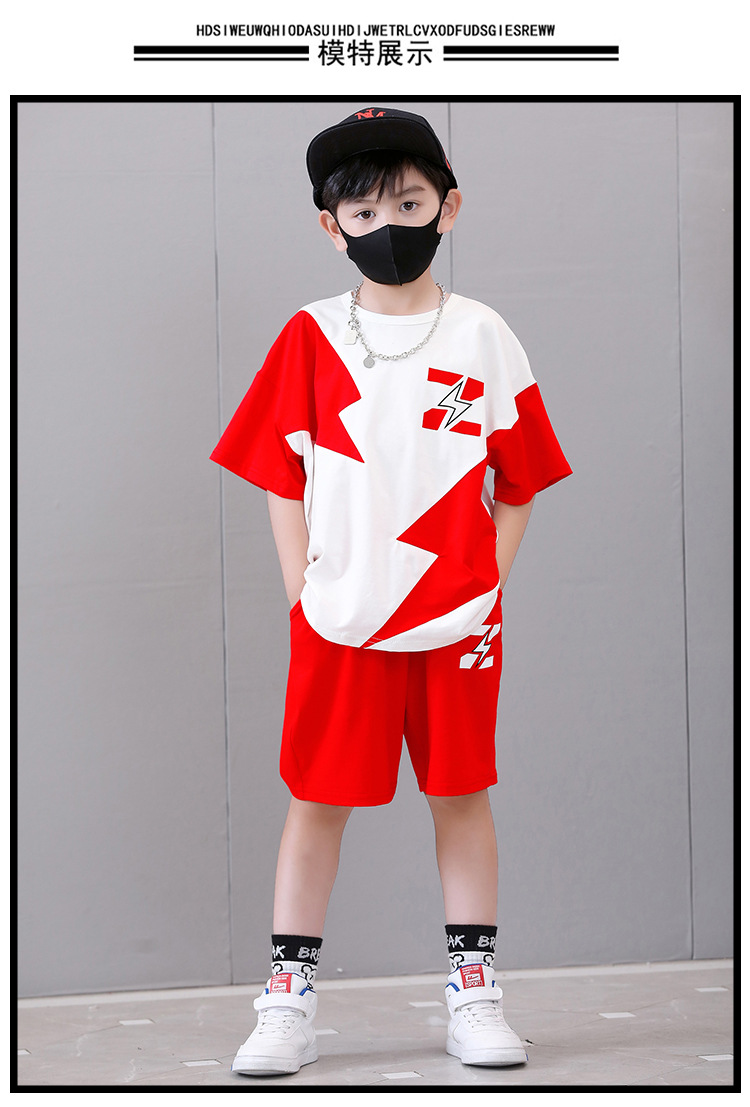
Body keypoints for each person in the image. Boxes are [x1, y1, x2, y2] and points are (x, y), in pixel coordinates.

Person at [210, 106, 572, 1077]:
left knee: (461, 793)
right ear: (332, 228)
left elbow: (522, 478)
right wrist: (302, 592)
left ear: (448, 206)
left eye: (409, 204)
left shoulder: (484, 335)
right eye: (365, 214)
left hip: (459, 623)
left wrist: (486, 585)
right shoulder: (311, 336)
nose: (389, 227)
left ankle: (475, 990)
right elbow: (280, 471)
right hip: (340, 619)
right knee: (316, 801)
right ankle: (288, 999)